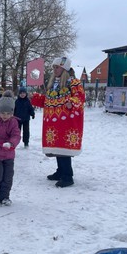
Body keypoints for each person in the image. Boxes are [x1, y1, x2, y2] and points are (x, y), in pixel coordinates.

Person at [42, 56, 85, 188]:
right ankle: (60, 171)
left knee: (64, 148)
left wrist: (71, 102)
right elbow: (49, 99)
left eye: (57, 67)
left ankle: (68, 176)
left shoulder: (74, 82)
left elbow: (80, 98)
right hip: (53, 122)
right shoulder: (54, 83)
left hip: (66, 122)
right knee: (57, 146)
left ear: (64, 68)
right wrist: (39, 99)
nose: (54, 70)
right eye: (53, 67)